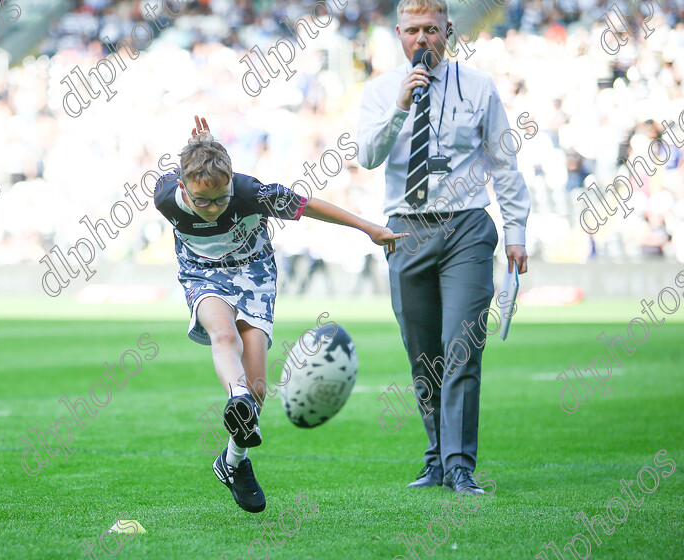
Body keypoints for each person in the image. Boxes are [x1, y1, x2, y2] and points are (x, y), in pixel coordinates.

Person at [154, 116, 406, 512]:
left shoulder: (251, 192)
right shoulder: (165, 194)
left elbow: (309, 207)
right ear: (183, 189)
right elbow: (188, 167)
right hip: (202, 274)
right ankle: (235, 398)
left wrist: (368, 228)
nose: (212, 209)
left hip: (254, 273)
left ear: (231, 183)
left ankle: (233, 461)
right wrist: (200, 148)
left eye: (221, 198)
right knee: (224, 337)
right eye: (201, 201)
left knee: (257, 390)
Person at [356, 0, 530, 494]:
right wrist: (398, 108)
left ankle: (459, 465)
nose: (422, 39)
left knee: (461, 348)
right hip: (404, 230)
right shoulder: (380, 91)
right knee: (422, 356)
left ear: (448, 31)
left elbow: (503, 163)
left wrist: (515, 231)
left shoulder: (479, 86)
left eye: (432, 29)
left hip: (467, 228)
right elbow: (368, 157)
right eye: (412, 30)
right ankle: (435, 456)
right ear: (398, 34)